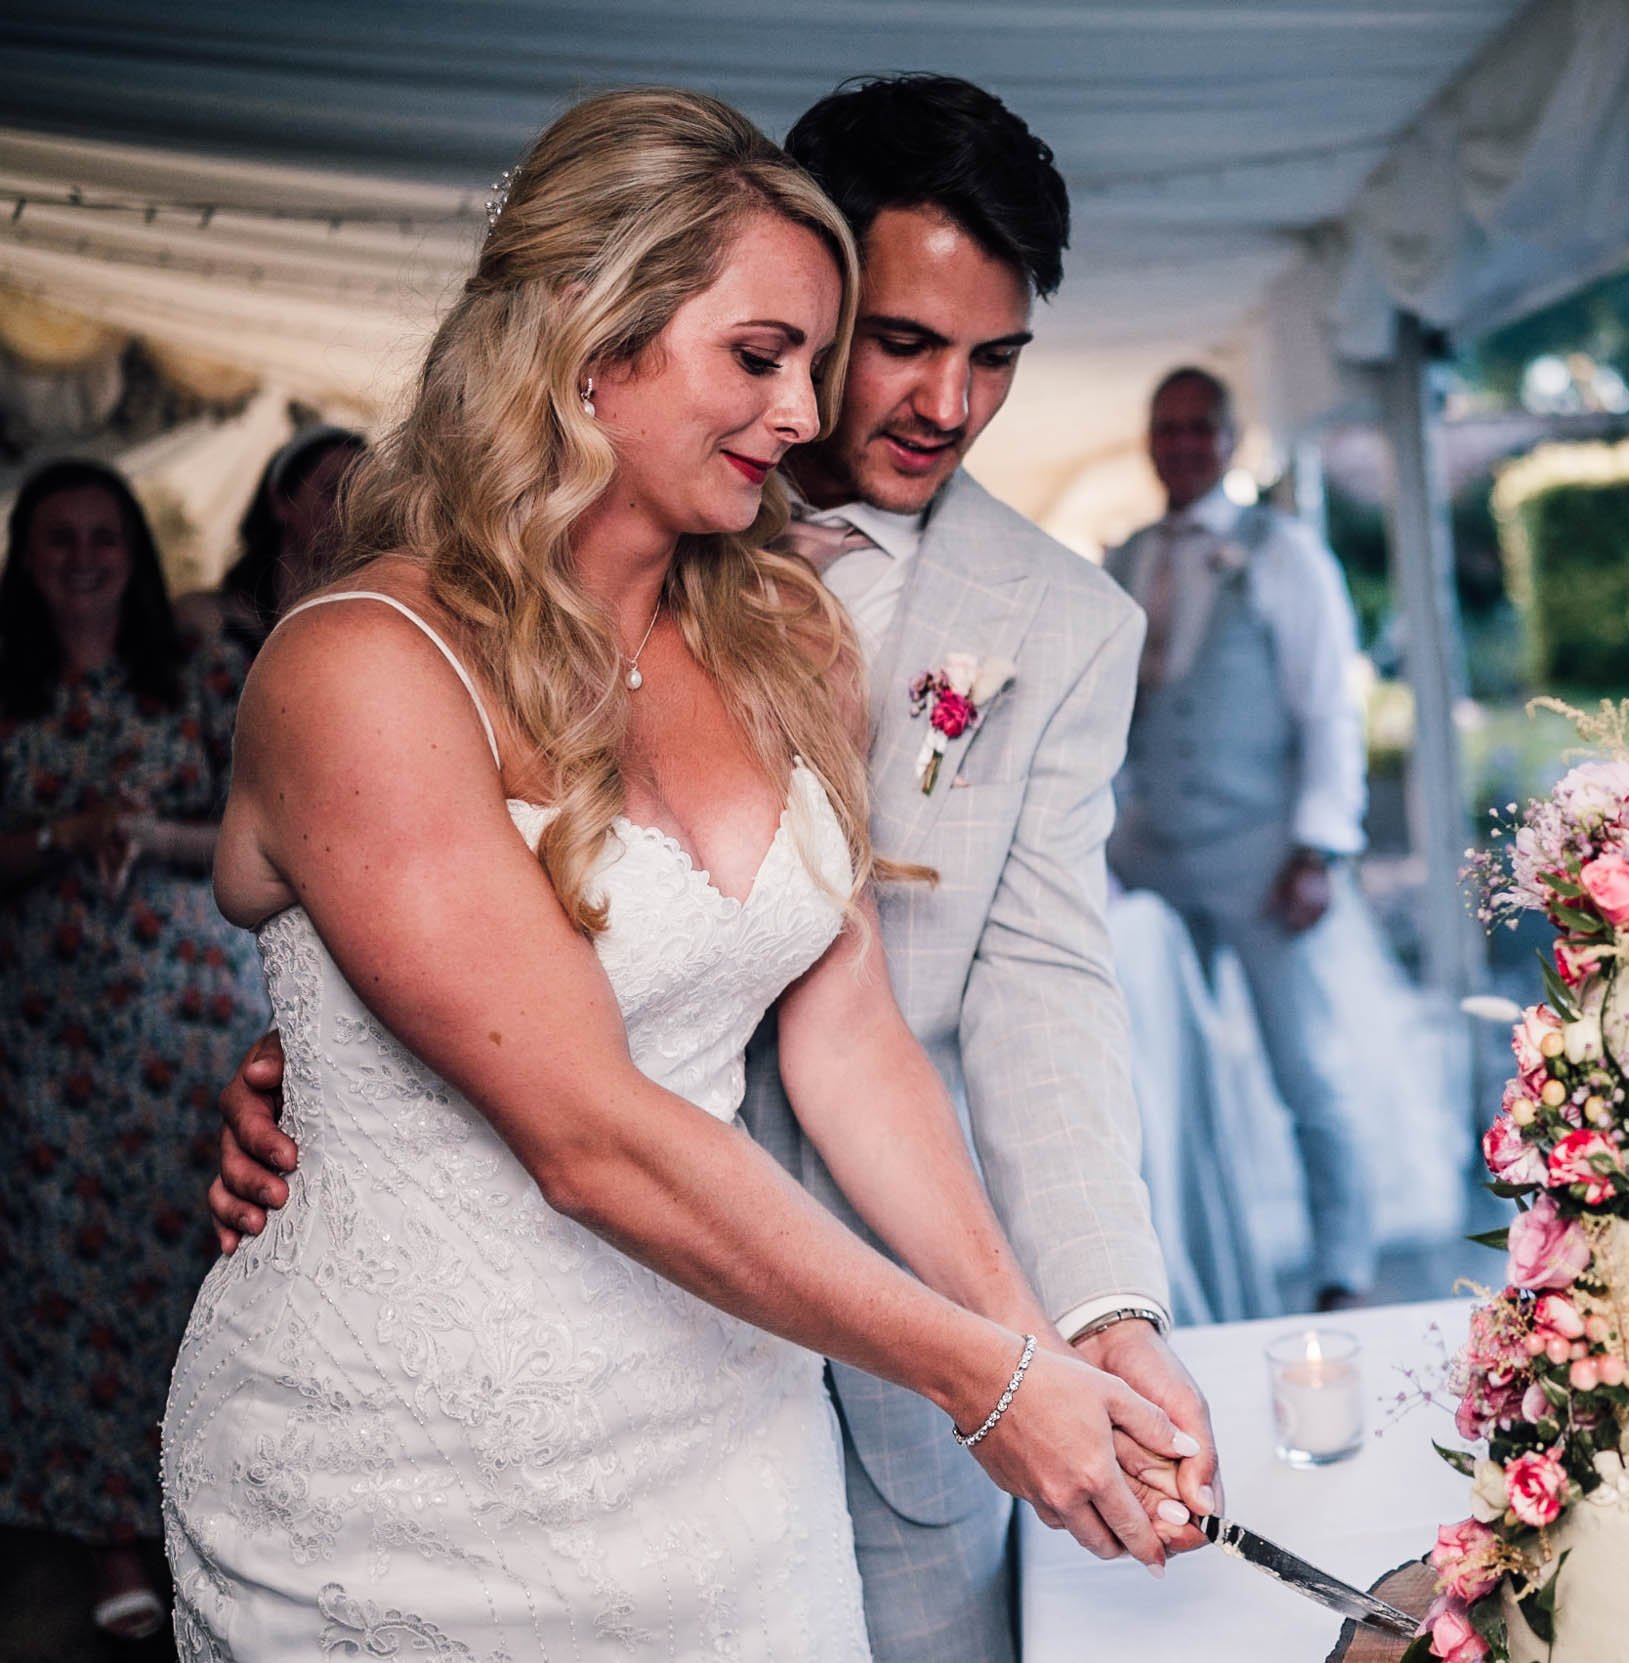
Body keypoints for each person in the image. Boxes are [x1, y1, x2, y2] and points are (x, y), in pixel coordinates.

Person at [161, 88, 1194, 1658]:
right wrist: (986, 1373)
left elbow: (858, 1031)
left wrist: (1049, 1344)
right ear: (590, 338)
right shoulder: (365, 665)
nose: (806, 414)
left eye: (812, 361)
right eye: (769, 357)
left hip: (729, 1450)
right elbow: (581, 1124)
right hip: (423, 1479)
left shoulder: (772, 629)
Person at [0, 458, 268, 1641]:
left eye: (103, 535)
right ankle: (111, 1533)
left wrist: (148, 831)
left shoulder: (198, 669)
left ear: (135, 553)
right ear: (25, 554)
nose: (83, 556)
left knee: (196, 1253)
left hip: (184, 1012)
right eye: (58, 537)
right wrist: (62, 831)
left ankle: (208, 1517)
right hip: (49, 1026)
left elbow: (263, 825)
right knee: (67, 1274)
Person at [1103, 366, 1377, 1308]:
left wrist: (1318, 849)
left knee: (1305, 1064)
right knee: (1148, 1065)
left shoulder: (1282, 551)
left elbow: (1329, 710)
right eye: (1164, 427)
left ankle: (1343, 1263)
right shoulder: (1129, 557)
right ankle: (1179, 1258)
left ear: (1228, 441)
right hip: (1151, 853)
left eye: (1198, 429)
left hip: (1261, 855)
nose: (1180, 445)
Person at [205, 425, 367, 650]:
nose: (348, 508)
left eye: (364, 495)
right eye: (332, 490)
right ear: (281, 501)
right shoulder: (211, 621)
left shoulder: (366, 616)